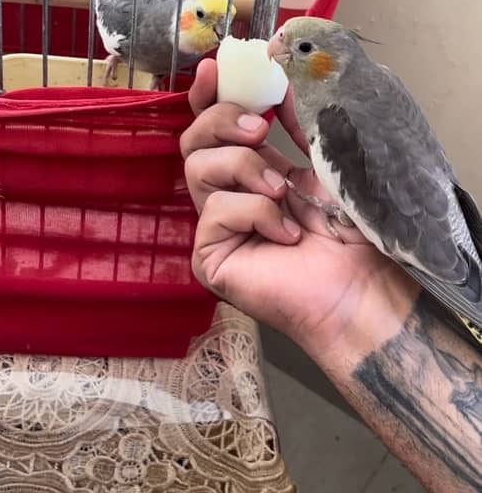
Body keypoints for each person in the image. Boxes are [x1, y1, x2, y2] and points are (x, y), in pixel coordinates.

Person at [180, 59, 482, 493]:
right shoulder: (376, 84)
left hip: (433, 241)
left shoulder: (337, 120)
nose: (280, 50)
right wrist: (349, 310)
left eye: (303, 48)